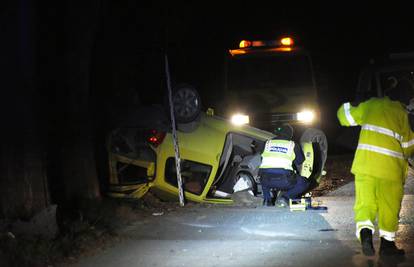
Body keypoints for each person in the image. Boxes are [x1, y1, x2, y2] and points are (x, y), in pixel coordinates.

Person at [337, 78, 414, 256]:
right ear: (405, 99)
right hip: (390, 171)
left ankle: (365, 236)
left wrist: (353, 104)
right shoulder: (402, 114)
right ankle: (387, 246)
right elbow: (409, 146)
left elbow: (344, 117)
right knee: (389, 207)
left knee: (365, 204)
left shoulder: (372, 105)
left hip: (365, 166)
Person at [258, 124, 309, 207]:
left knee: (265, 174)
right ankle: (285, 198)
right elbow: (300, 161)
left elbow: (262, 159)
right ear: (290, 134)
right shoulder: (292, 145)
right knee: (304, 182)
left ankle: (267, 200)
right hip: (284, 179)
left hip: (265, 179)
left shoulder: (267, 143)